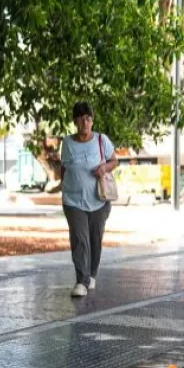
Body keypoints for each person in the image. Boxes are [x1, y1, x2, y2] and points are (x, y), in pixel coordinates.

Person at [60, 102, 118, 298]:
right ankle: (81, 281)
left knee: (94, 240)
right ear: (75, 121)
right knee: (79, 239)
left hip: (99, 200)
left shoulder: (101, 140)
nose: (85, 122)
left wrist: (104, 168)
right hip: (73, 200)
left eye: (88, 118)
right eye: (81, 119)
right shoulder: (67, 143)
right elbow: (64, 168)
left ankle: (92, 274)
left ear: (92, 121)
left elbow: (114, 160)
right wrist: (64, 189)